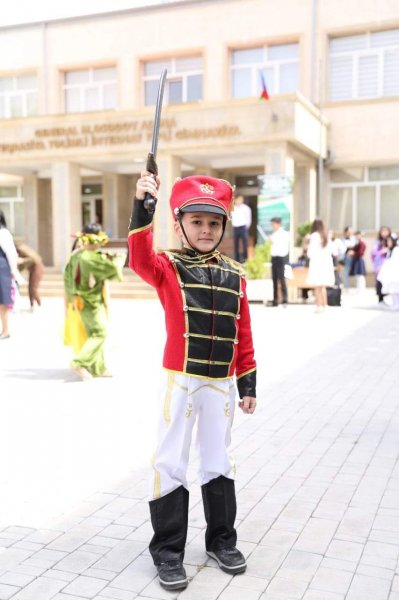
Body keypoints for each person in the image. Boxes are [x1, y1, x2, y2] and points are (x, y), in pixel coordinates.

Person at [128, 173, 256, 591]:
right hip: (182, 381)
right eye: (197, 221)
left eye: (214, 223)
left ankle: (222, 541)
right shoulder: (167, 267)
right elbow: (139, 258)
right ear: (180, 222)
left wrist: (248, 383)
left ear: (223, 227)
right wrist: (143, 206)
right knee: (171, 462)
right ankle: (167, 551)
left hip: (220, 385)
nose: (205, 230)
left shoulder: (236, 275)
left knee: (219, 460)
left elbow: (243, 333)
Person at [63, 223, 125, 380]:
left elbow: (67, 280)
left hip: (78, 302)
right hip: (91, 302)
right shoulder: (90, 257)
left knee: (92, 334)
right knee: (100, 333)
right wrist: (120, 258)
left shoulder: (76, 255)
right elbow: (114, 270)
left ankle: (99, 367)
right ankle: (79, 362)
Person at [0, 210, 23, 339]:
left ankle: (5, 330)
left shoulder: (3, 233)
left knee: (3, 300)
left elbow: (11, 254)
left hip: (2, 269)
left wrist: (14, 271)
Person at [306, 218, 335, 312]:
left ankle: (319, 306)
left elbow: (310, 252)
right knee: (323, 286)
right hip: (325, 263)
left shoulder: (314, 236)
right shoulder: (326, 235)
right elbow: (332, 251)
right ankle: (325, 305)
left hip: (316, 263)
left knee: (317, 286)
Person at [16, 242, 44, 310]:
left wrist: (22, 261)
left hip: (37, 267)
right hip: (32, 269)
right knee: (30, 288)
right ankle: (32, 305)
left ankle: (39, 305)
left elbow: (33, 259)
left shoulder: (21, 249)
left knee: (33, 288)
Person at [270, 216, 290, 307]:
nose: (272, 226)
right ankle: (275, 300)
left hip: (281, 258)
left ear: (278, 224)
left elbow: (282, 247)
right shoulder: (274, 234)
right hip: (274, 258)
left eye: (273, 224)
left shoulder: (284, 234)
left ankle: (285, 300)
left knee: (282, 279)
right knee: (274, 279)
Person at [377, 235, 399, 310]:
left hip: (395, 272)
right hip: (390, 272)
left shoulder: (396, 249)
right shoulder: (389, 250)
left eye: (390, 241)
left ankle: (397, 304)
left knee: (396, 289)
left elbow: (394, 262)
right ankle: (395, 304)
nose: (389, 243)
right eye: (388, 241)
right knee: (392, 289)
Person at [371, 226, 391, 303]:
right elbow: (373, 252)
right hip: (380, 264)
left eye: (386, 231)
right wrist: (382, 251)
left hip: (389, 264)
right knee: (379, 281)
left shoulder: (391, 240)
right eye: (383, 231)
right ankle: (380, 298)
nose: (384, 233)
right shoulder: (378, 242)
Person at [231, 194, 252, 263]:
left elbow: (249, 219)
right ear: (235, 200)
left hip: (243, 227)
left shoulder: (246, 208)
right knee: (235, 245)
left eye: (241, 199)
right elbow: (231, 217)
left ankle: (245, 259)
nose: (239, 201)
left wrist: (246, 227)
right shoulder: (232, 208)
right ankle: (236, 260)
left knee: (245, 244)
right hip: (235, 227)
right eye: (238, 199)